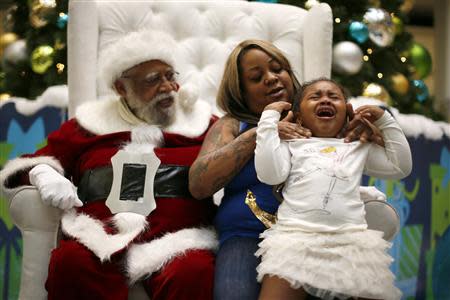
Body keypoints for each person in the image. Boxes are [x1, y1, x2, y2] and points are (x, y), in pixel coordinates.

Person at [0, 30, 217, 300]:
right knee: (70, 261)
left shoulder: (203, 123)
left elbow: (234, 155)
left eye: (171, 76)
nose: (167, 87)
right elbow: (33, 162)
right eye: (153, 79)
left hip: (181, 241)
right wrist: (43, 173)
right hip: (100, 239)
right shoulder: (89, 125)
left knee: (194, 271)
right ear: (120, 88)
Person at [188, 40, 386, 300]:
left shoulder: (325, 117)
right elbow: (199, 184)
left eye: (278, 69)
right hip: (247, 235)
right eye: (257, 77)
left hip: (318, 237)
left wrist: (373, 134)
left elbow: (375, 157)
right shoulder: (233, 125)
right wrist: (261, 133)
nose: (271, 79)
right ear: (241, 91)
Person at [254, 78, 412, 300]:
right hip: (295, 241)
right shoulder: (292, 144)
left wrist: (385, 121)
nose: (325, 99)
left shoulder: (356, 145)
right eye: (315, 96)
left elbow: (400, 166)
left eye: (334, 97)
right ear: (298, 116)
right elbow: (269, 173)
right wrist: (268, 121)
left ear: (346, 115)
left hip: (350, 243)